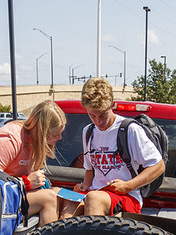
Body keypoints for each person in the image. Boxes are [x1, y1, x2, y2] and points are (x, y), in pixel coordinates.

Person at [61, 77, 164, 217]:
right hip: (95, 191)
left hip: (127, 195)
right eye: (92, 116)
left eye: (103, 115)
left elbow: (158, 166)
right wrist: (84, 186)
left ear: (112, 105)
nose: (99, 121)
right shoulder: (88, 132)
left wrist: (129, 186)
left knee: (93, 199)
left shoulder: (129, 130)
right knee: (68, 201)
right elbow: (90, 170)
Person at [0, 100, 66, 228]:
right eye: (55, 134)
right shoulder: (10, 138)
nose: (60, 137)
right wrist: (26, 182)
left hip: (10, 195)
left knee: (60, 194)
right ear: (41, 131)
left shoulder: (34, 141)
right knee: (49, 199)